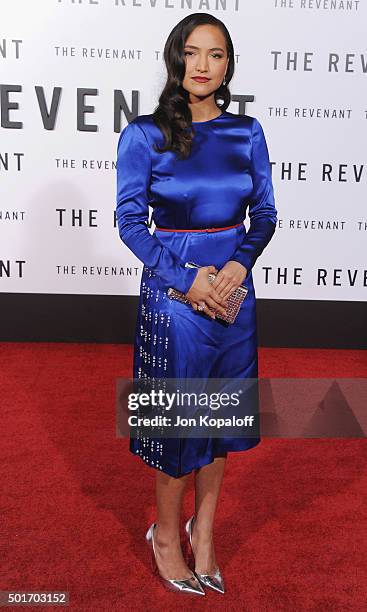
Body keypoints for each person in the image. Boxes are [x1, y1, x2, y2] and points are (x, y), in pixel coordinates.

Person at [115, 12, 277, 596]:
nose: (203, 66)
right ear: (175, 58)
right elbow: (130, 223)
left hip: (233, 290)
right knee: (180, 421)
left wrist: (236, 268)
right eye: (192, 53)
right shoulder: (145, 134)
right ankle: (163, 534)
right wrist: (186, 280)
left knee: (222, 421)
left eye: (215, 55)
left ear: (228, 64)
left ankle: (202, 533)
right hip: (174, 293)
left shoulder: (247, 132)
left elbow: (266, 215)